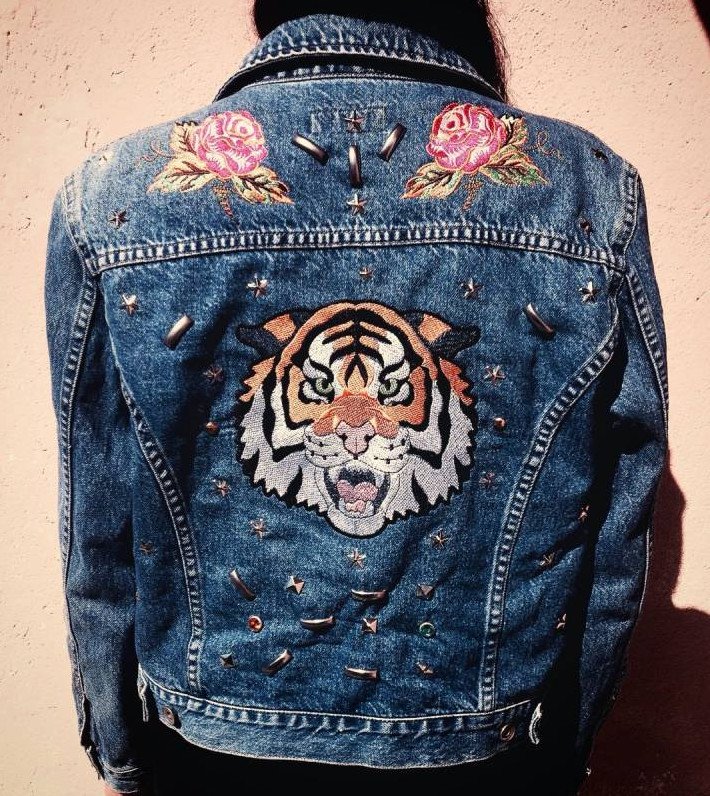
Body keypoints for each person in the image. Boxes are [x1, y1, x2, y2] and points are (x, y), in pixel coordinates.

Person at [44, 2, 668, 795]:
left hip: (208, 750)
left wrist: (121, 747)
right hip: (485, 754)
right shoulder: (587, 188)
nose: (355, 429)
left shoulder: (114, 198)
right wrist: (564, 749)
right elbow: (619, 523)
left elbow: (96, 529)